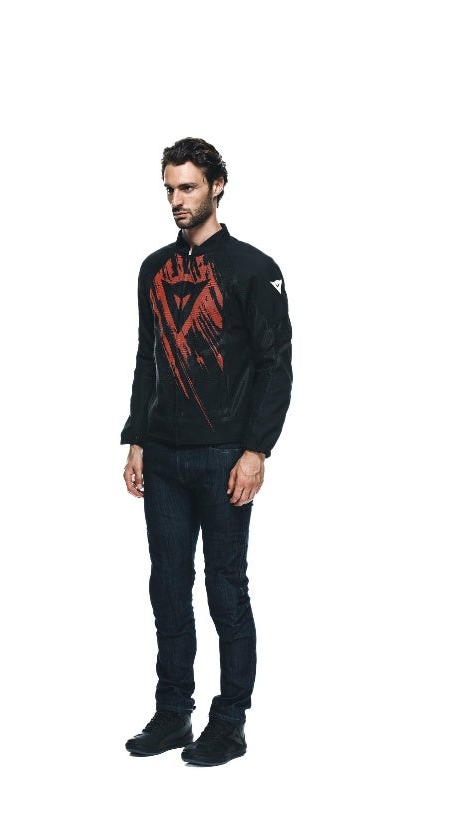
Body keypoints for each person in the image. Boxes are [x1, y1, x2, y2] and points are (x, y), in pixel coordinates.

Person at [121, 136, 293, 766]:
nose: (177, 199)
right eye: (170, 188)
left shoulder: (253, 268)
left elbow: (277, 367)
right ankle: (173, 713)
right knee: (167, 587)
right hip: (163, 458)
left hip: (224, 458)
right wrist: (136, 437)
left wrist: (256, 451)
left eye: (188, 187)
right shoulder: (153, 270)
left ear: (217, 186)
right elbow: (147, 357)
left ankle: (229, 722)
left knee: (225, 589)